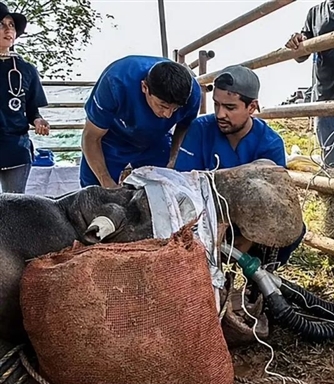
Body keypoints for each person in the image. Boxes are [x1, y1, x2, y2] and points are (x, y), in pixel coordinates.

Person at [174, 65, 302, 268]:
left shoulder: (270, 143)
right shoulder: (199, 129)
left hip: (251, 222)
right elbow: (184, 184)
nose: (220, 114)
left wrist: (245, 243)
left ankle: (261, 279)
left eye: (230, 107)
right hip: (203, 219)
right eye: (217, 105)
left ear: (252, 107)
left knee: (292, 229)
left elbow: (272, 203)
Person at [79, 55, 201, 188]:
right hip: (112, 138)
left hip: (156, 139)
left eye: (176, 109)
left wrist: (173, 158)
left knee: (166, 187)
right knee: (93, 192)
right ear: (144, 87)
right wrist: (106, 182)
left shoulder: (192, 93)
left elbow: (184, 127)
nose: (168, 115)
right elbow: (91, 137)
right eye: (163, 106)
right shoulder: (115, 82)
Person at [0, 3, 50, 194]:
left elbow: (31, 110)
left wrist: (38, 120)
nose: (8, 29)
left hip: (16, 148)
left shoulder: (26, 69)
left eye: (11, 25)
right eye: (1, 24)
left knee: (14, 205)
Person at [285, 0, 334, 167]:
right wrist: (297, 41)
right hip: (325, 94)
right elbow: (301, 55)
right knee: (332, 162)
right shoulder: (315, 13)